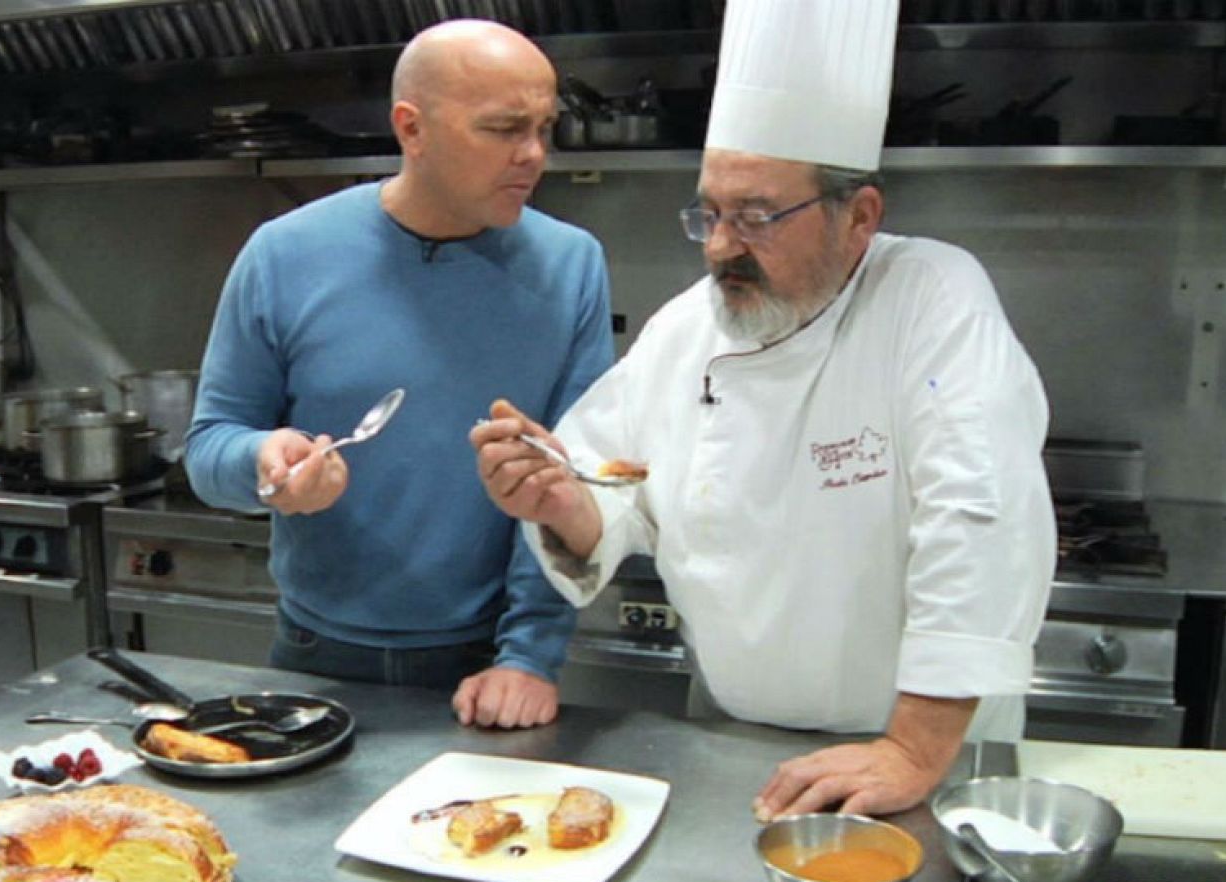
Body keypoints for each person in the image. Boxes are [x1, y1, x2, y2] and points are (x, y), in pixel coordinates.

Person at [471, 0, 1054, 814]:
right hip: (734, 741)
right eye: (709, 214)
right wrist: (563, 499)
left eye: (756, 217)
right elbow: (614, 484)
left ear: (860, 217)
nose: (720, 248)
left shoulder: (930, 297)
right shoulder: (688, 328)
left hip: (922, 757)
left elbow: (977, 514)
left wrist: (913, 750)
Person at [187, 19, 614, 730]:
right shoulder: (284, 254)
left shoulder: (572, 267)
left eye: (545, 127)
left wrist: (530, 656)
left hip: (486, 668)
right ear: (411, 129)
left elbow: (572, 480)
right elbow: (207, 450)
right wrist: (261, 461)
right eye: (504, 128)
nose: (534, 155)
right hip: (314, 650)